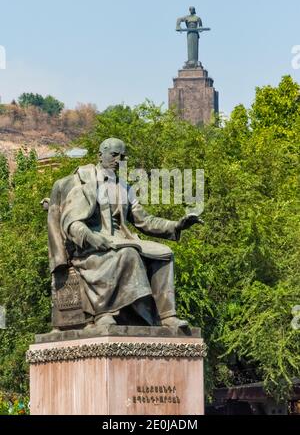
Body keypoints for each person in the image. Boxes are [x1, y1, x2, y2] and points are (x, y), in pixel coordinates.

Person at [48, 138, 201, 330]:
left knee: (165, 253)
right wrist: (91, 237)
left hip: (120, 240)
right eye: (114, 155)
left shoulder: (124, 187)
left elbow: (144, 220)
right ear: (100, 155)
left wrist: (176, 225)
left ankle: (167, 315)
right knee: (128, 254)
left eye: (122, 156)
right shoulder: (85, 182)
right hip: (90, 247)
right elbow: (72, 222)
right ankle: (104, 312)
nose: (118, 159)